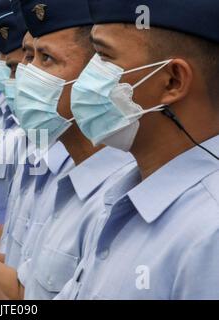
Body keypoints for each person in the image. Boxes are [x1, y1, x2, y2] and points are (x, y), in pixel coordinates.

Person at [54, 0, 219, 300]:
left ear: (172, 81)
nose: (87, 76)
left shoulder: (209, 235)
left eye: (103, 56)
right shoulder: (121, 196)